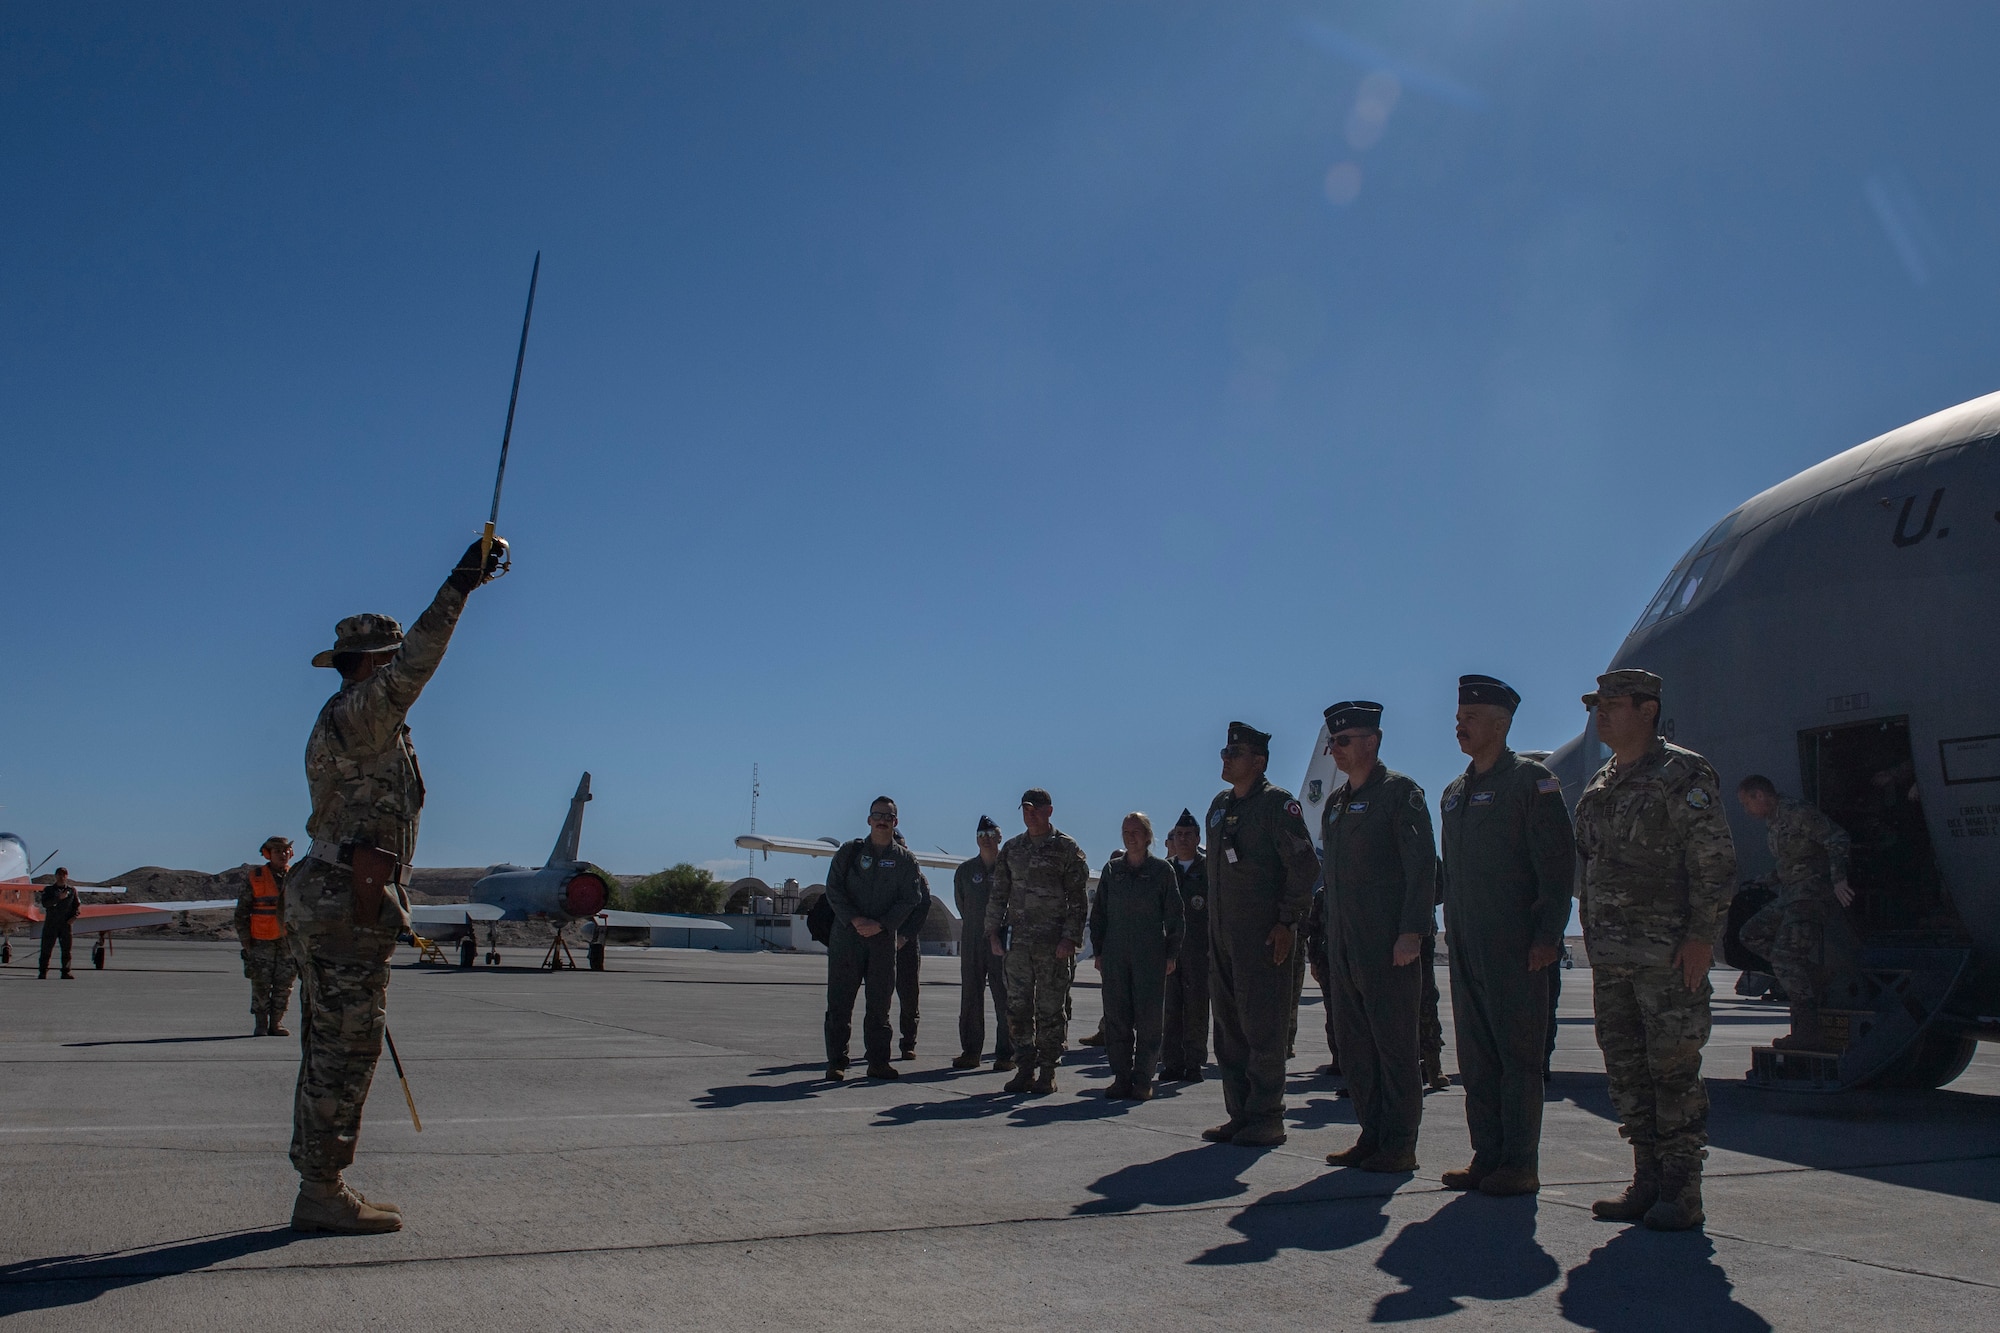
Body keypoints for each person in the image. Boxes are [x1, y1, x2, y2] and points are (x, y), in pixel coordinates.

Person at [286, 535, 505, 1235]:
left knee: (337, 1044)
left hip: (352, 900)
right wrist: (459, 586)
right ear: (373, 667)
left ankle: (320, 1181)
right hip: (345, 904)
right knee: (344, 1049)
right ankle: (321, 1189)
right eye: (389, 664)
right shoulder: (362, 712)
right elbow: (417, 666)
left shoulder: (367, 722)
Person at [1574, 668, 1736, 1233]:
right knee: (1627, 1074)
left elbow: (1713, 862)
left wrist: (1700, 938)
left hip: (1667, 956)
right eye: (1596, 704)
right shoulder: (1600, 783)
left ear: (1647, 709)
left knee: (1673, 1073)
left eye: (1612, 704)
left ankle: (1681, 1193)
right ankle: (1645, 1182)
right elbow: (1588, 866)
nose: (1600, 713)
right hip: (1613, 958)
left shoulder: (1682, 773)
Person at [1437, 675, 1575, 1197]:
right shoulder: (1454, 792)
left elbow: (1557, 867)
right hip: (1467, 946)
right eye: (1457, 719)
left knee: (1518, 1058)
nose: (1459, 727)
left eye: (1470, 719)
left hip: (1517, 947)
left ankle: (1520, 1162)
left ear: (1501, 724)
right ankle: (1487, 1155)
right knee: (1476, 1057)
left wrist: (1547, 935)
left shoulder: (1532, 784)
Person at [1319, 701, 1436, 1174]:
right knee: (1354, 1046)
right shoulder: (1336, 803)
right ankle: (1372, 1133)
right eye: (1332, 742)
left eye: (1343, 741)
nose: (1335, 750)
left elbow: (1422, 867)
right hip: (1344, 945)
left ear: (1373, 741)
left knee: (1394, 1047)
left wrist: (1412, 931)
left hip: (1388, 946)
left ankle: (1400, 1143)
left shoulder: (1399, 794)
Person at [1202, 722, 1319, 1148]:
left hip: (1263, 937)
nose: (1226, 758)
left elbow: (1305, 867)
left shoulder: (1277, 805)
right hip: (1223, 936)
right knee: (1229, 1030)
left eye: (1235, 752)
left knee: (1262, 1031)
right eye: (1224, 751)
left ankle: (1267, 1117)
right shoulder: (1219, 806)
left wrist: (1288, 922)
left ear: (1259, 761)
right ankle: (1240, 1114)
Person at [1734, 775, 1858, 1052]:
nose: (1746, 810)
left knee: (1785, 958)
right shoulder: (1775, 820)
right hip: (1791, 893)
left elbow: (1836, 838)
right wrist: (1763, 880)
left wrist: (1838, 879)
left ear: (1759, 796)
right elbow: (1792, 862)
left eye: (1746, 803)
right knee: (1750, 934)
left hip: (1812, 893)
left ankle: (1809, 1030)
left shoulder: (1796, 812)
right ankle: (1813, 974)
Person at [983, 788, 1090, 1096]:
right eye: (1025, 809)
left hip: (1053, 947)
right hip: (1018, 946)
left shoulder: (1066, 849)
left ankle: (1047, 1071)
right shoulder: (1013, 849)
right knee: (1017, 1007)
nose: (1030, 814)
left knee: (1050, 1009)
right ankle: (1024, 1069)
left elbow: (1078, 900)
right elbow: (999, 894)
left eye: (1035, 809)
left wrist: (1070, 938)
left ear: (1049, 811)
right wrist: (992, 932)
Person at [823, 797, 924, 1082]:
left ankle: (878, 1061)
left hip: (882, 941)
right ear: (868, 820)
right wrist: (856, 920)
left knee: (880, 1004)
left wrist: (881, 924)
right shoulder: (849, 852)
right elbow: (834, 890)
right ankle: (836, 1062)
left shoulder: (905, 860)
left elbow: (911, 898)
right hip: (847, 937)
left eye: (888, 816)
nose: (883, 820)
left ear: (896, 822)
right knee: (839, 1003)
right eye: (877, 815)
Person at [1089, 813, 1185, 1100]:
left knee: (1149, 1021)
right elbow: (1100, 915)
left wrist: (1171, 953)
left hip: (1150, 955)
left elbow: (1175, 915)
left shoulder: (1162, 872)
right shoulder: (1111, 871)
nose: (1130, 837)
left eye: (1136, 832)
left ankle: (1143, 1079)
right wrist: (1099, 951)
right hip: (1116, 954)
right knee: (1116, 1018)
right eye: (1125, 831)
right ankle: (1121, 1077)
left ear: (1147, 836)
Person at [951, 816, 1015, 1071]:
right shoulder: (966, 871)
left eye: (991, 833)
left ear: (1000, 837)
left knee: (1005, 997)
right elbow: (961, 903)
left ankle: (1006, 1054)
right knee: (971, 997)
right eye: (981, 835)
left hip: (1003, 941)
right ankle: (971, 1051)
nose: (986, 838)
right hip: (973, 942)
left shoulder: (1011, 869)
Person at [1160, 809, 1211, 1082]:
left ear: (1197, 838)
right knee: (1170, 1009)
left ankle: (1193, 1063)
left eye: (1188, 835)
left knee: (1197, 1009)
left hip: (1199, 951)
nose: (1182, 839)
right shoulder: (1165, 870)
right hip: (1170, 952)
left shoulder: (1209, 870)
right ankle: (1171, 1062)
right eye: (1178, 835)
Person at [235, 836, 300, 1036]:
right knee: (261, 983)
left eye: (285, 850)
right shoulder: (256, 876)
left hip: (288, 941)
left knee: (285, 984)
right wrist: (245, 938)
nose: (282, 854)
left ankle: (277, 1023)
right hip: (260, 940)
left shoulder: (296, 876)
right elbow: (242, 911)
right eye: (277, 851)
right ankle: (261, 1024)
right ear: (268, 854)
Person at [892, 833, 931, 1060]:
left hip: (906, 943)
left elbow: (923, 906)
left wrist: (905, 936)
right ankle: (878, 1044)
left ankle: (908, 1042)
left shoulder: (917, 876)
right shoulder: (878, 874)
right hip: (880, 941)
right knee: (878, 996)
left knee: (909, 995)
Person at [1302, 883, 1341, 1074]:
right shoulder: (1323, 895)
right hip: (1327, 960)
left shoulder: (1358, 890)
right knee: (1332, 1011)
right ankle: (1338, 1057)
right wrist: (1315, 961)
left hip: (1352, 959)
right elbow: (1314, 930)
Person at [37, 867, 80, 979]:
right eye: (59, 874)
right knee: (46, 949)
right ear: (55, 876)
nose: (62, 877)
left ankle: (66, 971)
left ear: (67, 876)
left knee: (67, 950)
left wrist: (74, 916)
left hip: (65, 925)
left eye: (64, 874)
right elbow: (45, 903)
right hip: (51, 924)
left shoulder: (72, 890)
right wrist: (58, 898)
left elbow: (76, 906)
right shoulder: (49, 890)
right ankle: (43, 971)